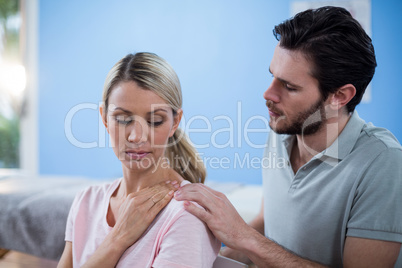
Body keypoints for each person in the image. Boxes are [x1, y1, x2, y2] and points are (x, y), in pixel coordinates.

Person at [174, 6, 402, 267]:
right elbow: (268, 224)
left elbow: (253, 240)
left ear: (339, 96)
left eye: (289, 86)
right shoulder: (282, 130)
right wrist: (211, 259)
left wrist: (243, 236)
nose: (268, 94)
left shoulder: (383, 162)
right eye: (272, 76)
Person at [57, 52, 220, 268]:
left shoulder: (187, 215)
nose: (136, 136)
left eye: (154, 121)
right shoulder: (86, 202)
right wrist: (117, 239)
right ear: (104, 118)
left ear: (174, 122)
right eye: (123, 119)